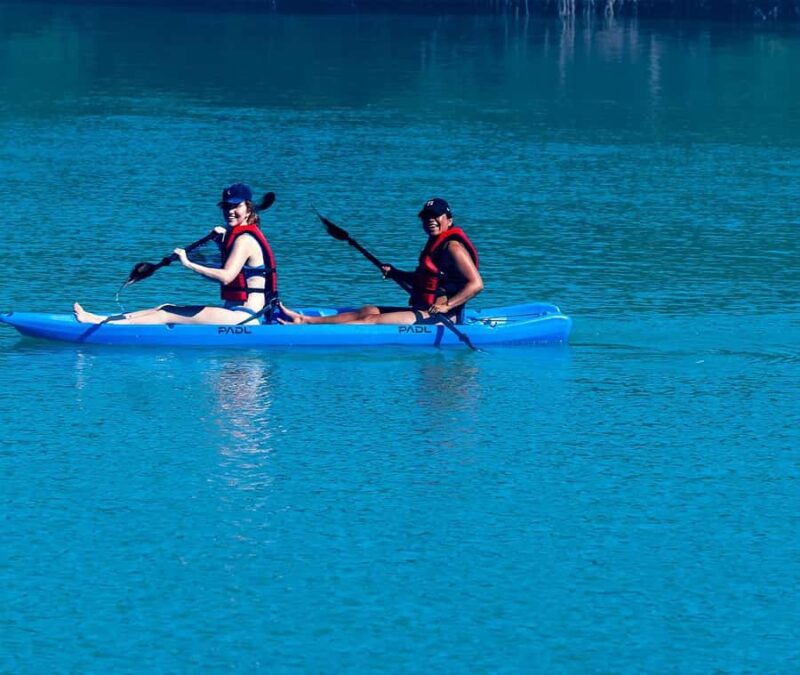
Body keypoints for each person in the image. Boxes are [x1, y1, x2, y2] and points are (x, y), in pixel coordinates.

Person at [73, 183, 279, 325]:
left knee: (167, 313)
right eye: (226, 206)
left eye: (236, 206)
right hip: (235, 312)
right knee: (166, 306)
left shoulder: (244, 239)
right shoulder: (239, 237)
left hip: (244, 317)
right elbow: (235, 273)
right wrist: (219, 244)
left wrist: (188, 263)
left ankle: (103, 326)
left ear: (249, 207)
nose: (230, 211)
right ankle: (103, 320)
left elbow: (226, 276)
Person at [279, 197, 483, 325]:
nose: (430, 221)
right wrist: (396, 273)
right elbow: (426, 280)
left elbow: (476, 284)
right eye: (426, 217)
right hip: (423, 310)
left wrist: (447, 306)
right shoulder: (435, 244)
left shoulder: (452, 247)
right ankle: (305, 319)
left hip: (443, 318)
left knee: (371, 320)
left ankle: (307, 329)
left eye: (436, 216)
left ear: (449, 219)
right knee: (367, 310)